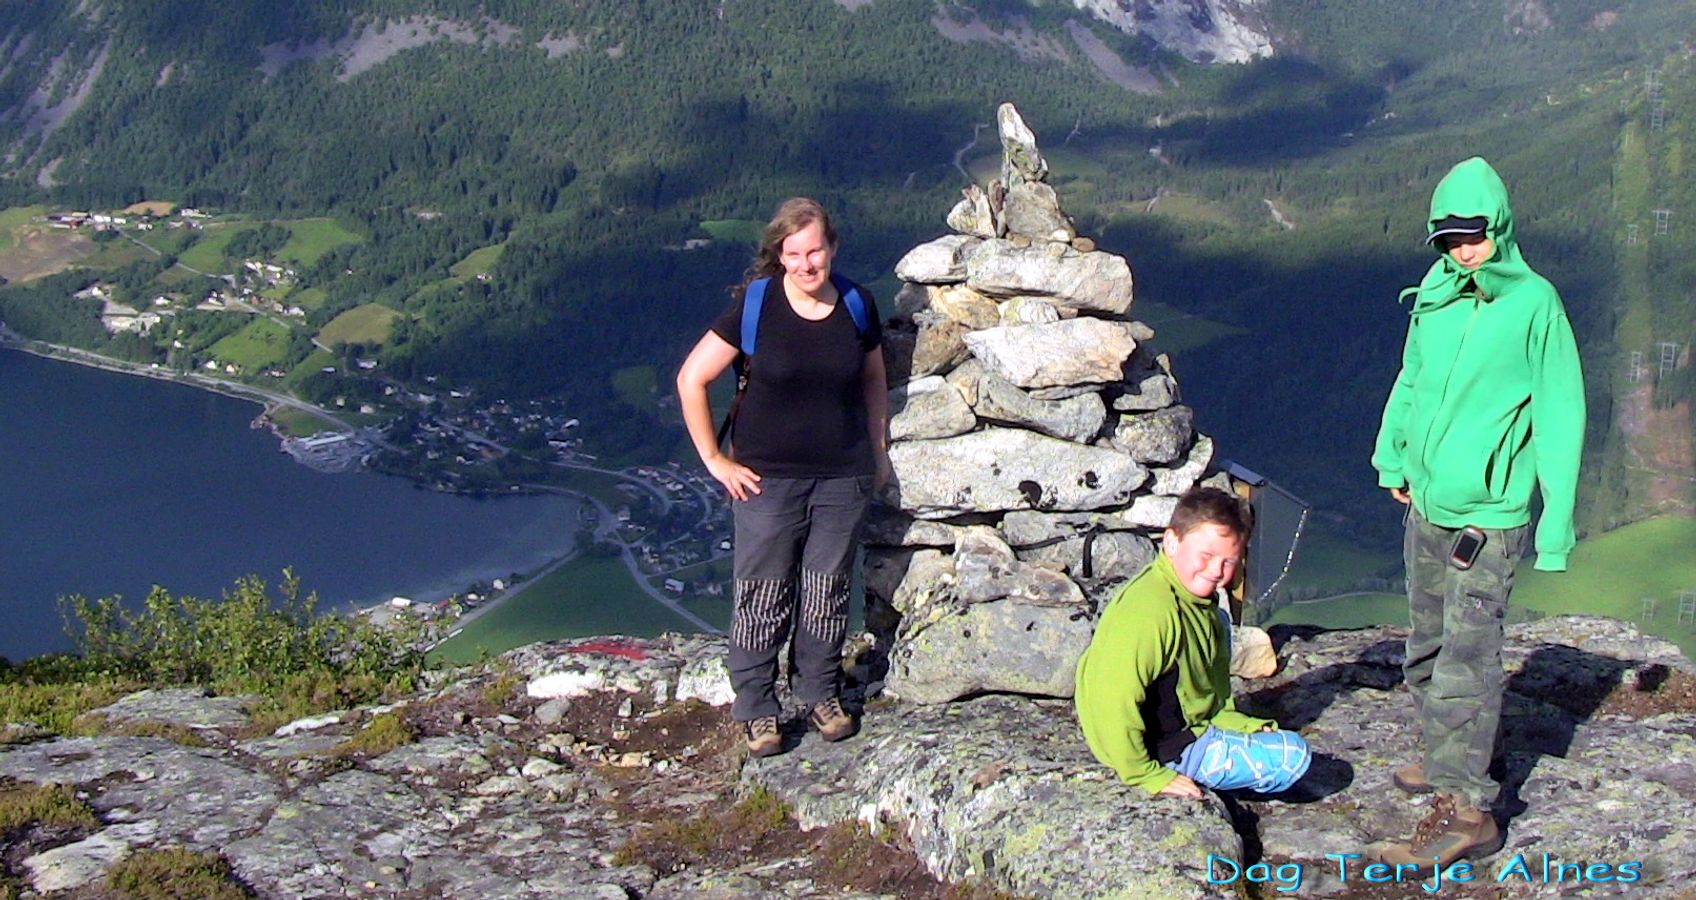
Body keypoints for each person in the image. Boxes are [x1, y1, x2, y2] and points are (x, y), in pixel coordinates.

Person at [1371, 157, 1585, 867]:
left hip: (1488, 519)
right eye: (1448, 238)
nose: (1462, 249)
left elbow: (1561, 415)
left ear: (1500, 226)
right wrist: (1393, 457)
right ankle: (1445, 756)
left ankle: (1469, 812)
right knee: (1427, 645)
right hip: (1428, 503)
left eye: (1473, 235)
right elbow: (1413, 378)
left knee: (1468, 656)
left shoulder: (1535, 304)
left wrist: (1554, 528)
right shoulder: (1438, 290)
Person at [675, 198, 891, 758]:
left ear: (832, 247)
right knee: (763, 593)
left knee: (826, 591)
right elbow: (691, 379)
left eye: (814, 249)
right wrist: (715, 461)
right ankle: (756, 707)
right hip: (766, 479)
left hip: (842, 475)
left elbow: (872, 380)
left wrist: (879, 450)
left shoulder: (855, 304)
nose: (805, 262)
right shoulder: (756, 306)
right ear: (779, 255)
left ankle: (820, 693)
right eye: (792, 253)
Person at [1074, 486, 1311, 798]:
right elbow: (1110, 698)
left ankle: (1214, 732)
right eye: (1207, 555)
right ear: (1172, 542)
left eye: (1230, 561)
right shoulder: (1150, 613)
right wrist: (1144, 773)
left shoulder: (1191, 599)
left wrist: (1228, 719)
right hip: (1167, 747)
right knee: (1294, 758)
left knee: (1222, 622)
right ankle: (1198, 766)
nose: (1217, 571)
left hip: (1180, 726)